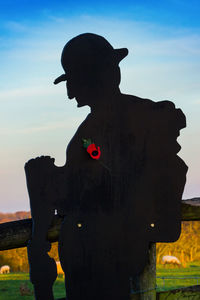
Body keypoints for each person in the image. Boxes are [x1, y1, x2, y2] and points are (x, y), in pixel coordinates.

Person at [25, 33, 188, 300]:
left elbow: (106, 184)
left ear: (95, 77)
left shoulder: (141, 119)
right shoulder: (101, 124)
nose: (69, 94)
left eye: (74, 82)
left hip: (105, 261)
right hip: (91, 259)